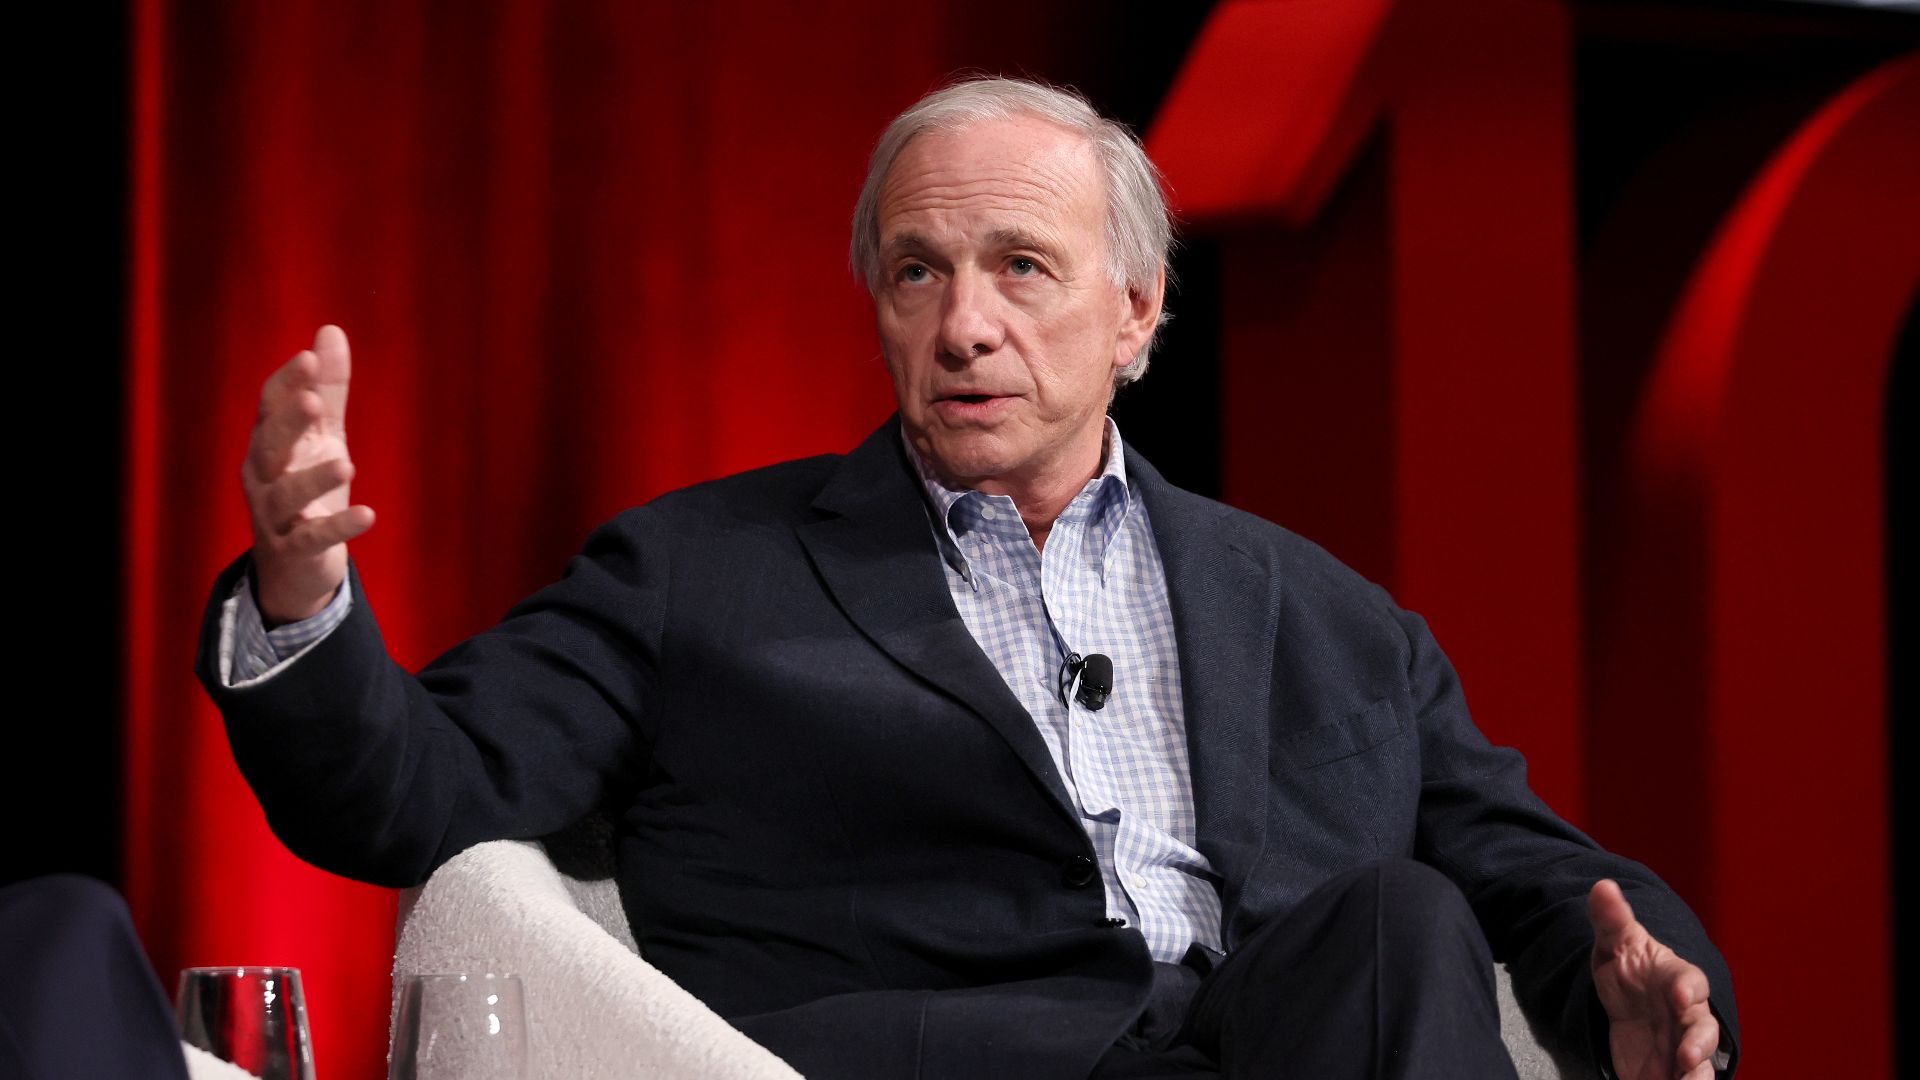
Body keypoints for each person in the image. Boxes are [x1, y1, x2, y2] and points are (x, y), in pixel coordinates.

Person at [199, 77, 1738, 1079]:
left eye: (1021, 267)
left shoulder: (1330, 620)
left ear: (1135, 312)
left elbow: (1538, 870)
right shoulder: (696, 573)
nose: (964, 325)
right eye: (918, 271)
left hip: (1277, 1049)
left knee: (1402, 917)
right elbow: (420, 792)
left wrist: (1655, 985)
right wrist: (301, 591)